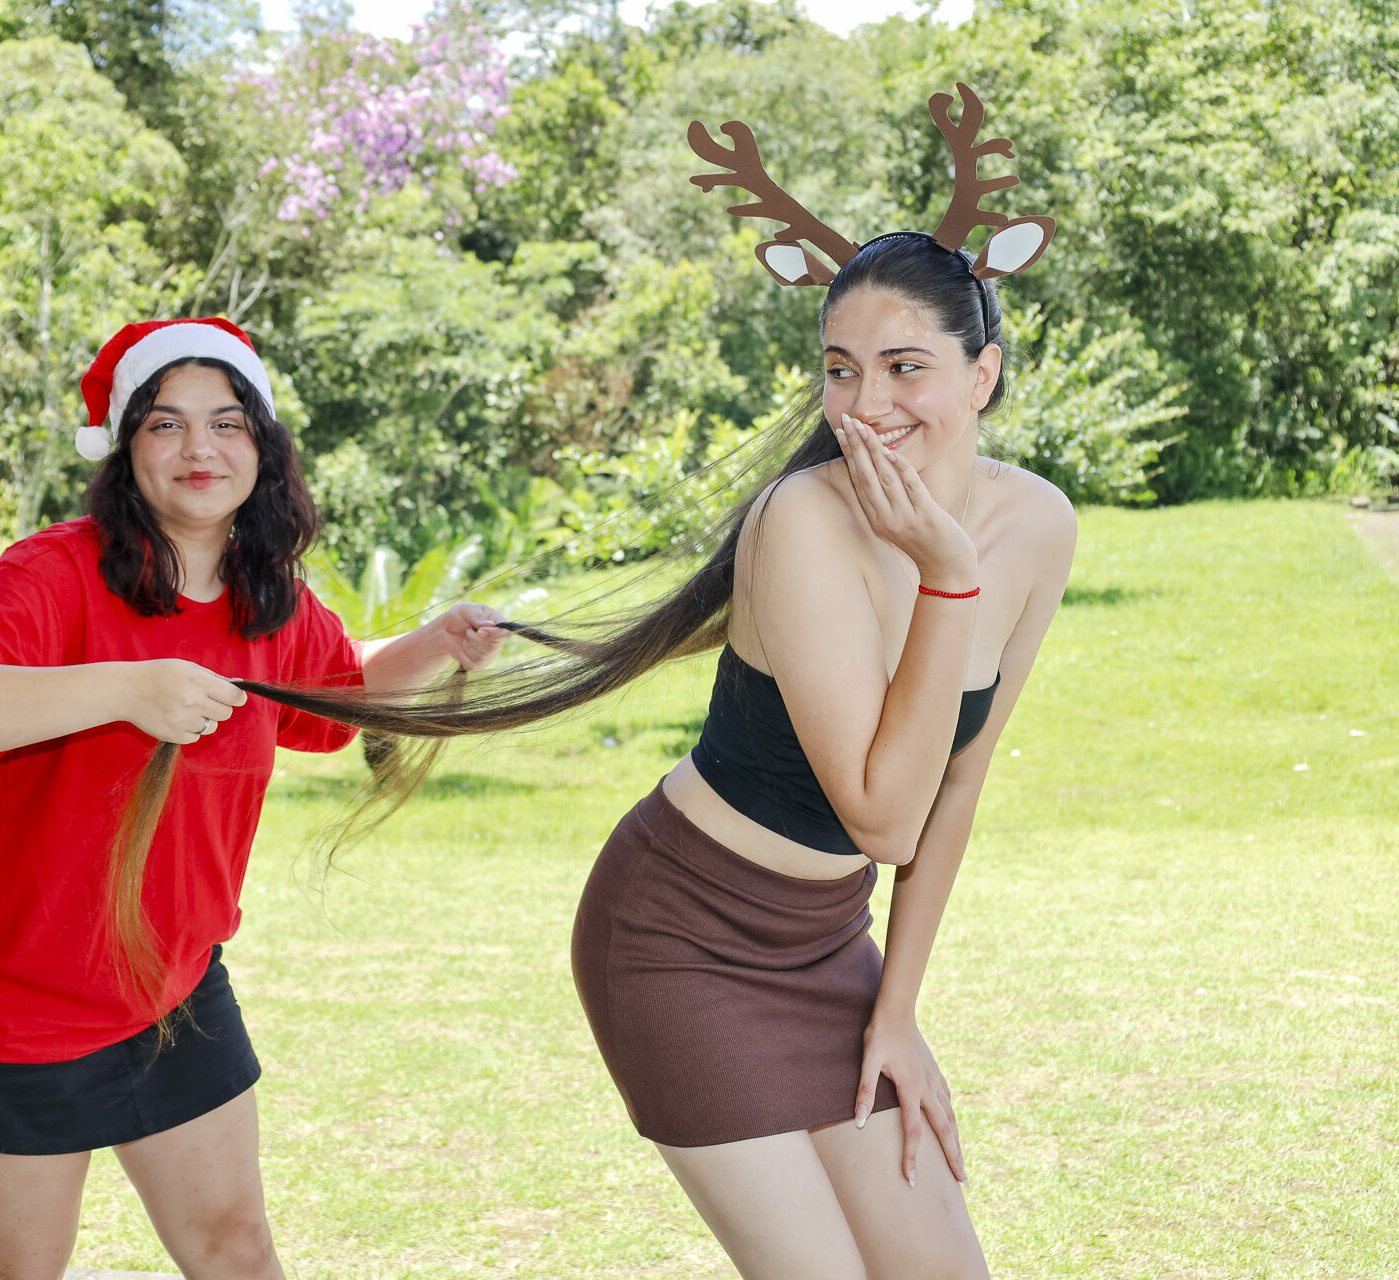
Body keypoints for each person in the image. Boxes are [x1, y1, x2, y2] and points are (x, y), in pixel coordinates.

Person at [171, 83, 1076, 1280]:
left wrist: (898, 1009)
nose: (867, 405)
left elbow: (958, 783)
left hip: (829, 945)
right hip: (681, 940)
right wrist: (948, 577)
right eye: (840, 368)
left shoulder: (1037, 525)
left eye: (906, 366)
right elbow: (883, 814)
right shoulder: (802, 522)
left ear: (983, 373)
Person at [0, 317, 506, 1280]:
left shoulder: (269, 595)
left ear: (264, 447)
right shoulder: (54, 573)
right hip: (6, 998)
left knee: (235, 1249)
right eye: (165, 423)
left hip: (172, 985)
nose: (198, 448)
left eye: (227, 423)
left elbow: (333, 689)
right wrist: (127, 688)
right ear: (127, 450)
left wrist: (434, 644)